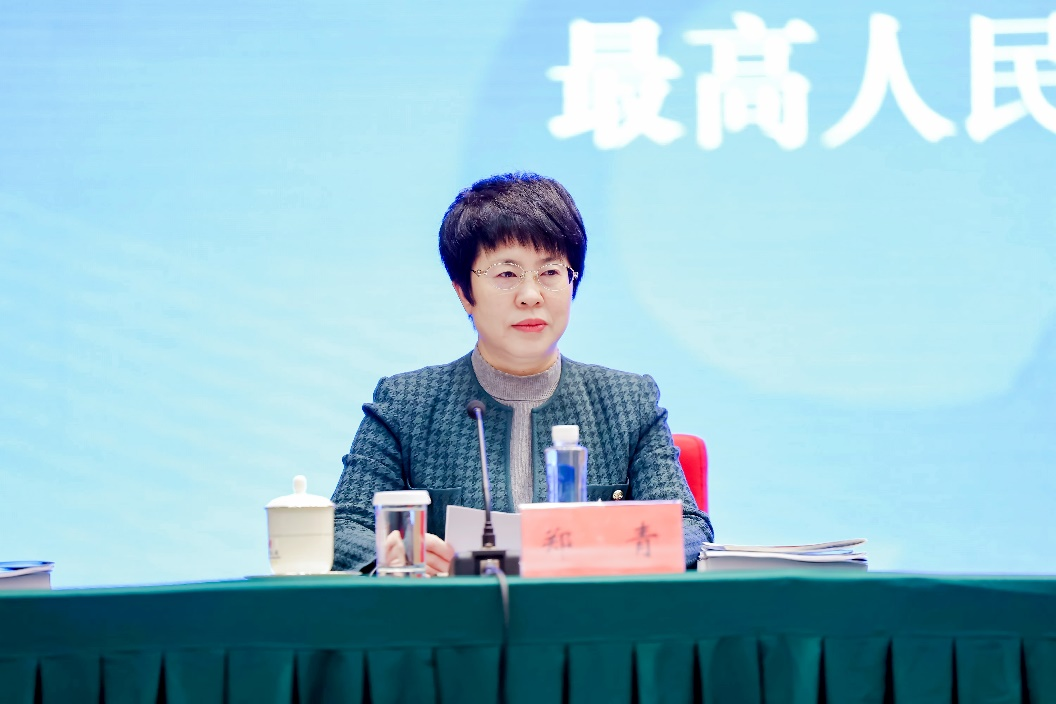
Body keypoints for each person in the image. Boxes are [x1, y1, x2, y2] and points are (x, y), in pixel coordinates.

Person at [331, 172, 713, 574]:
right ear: (464, 293)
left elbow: (689, 529)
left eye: (550, 273)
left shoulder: (628, 403)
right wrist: (392, 556)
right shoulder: (407, 404)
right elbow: (343, 528)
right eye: (507, 274)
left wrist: (611, 550)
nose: (531, 295)